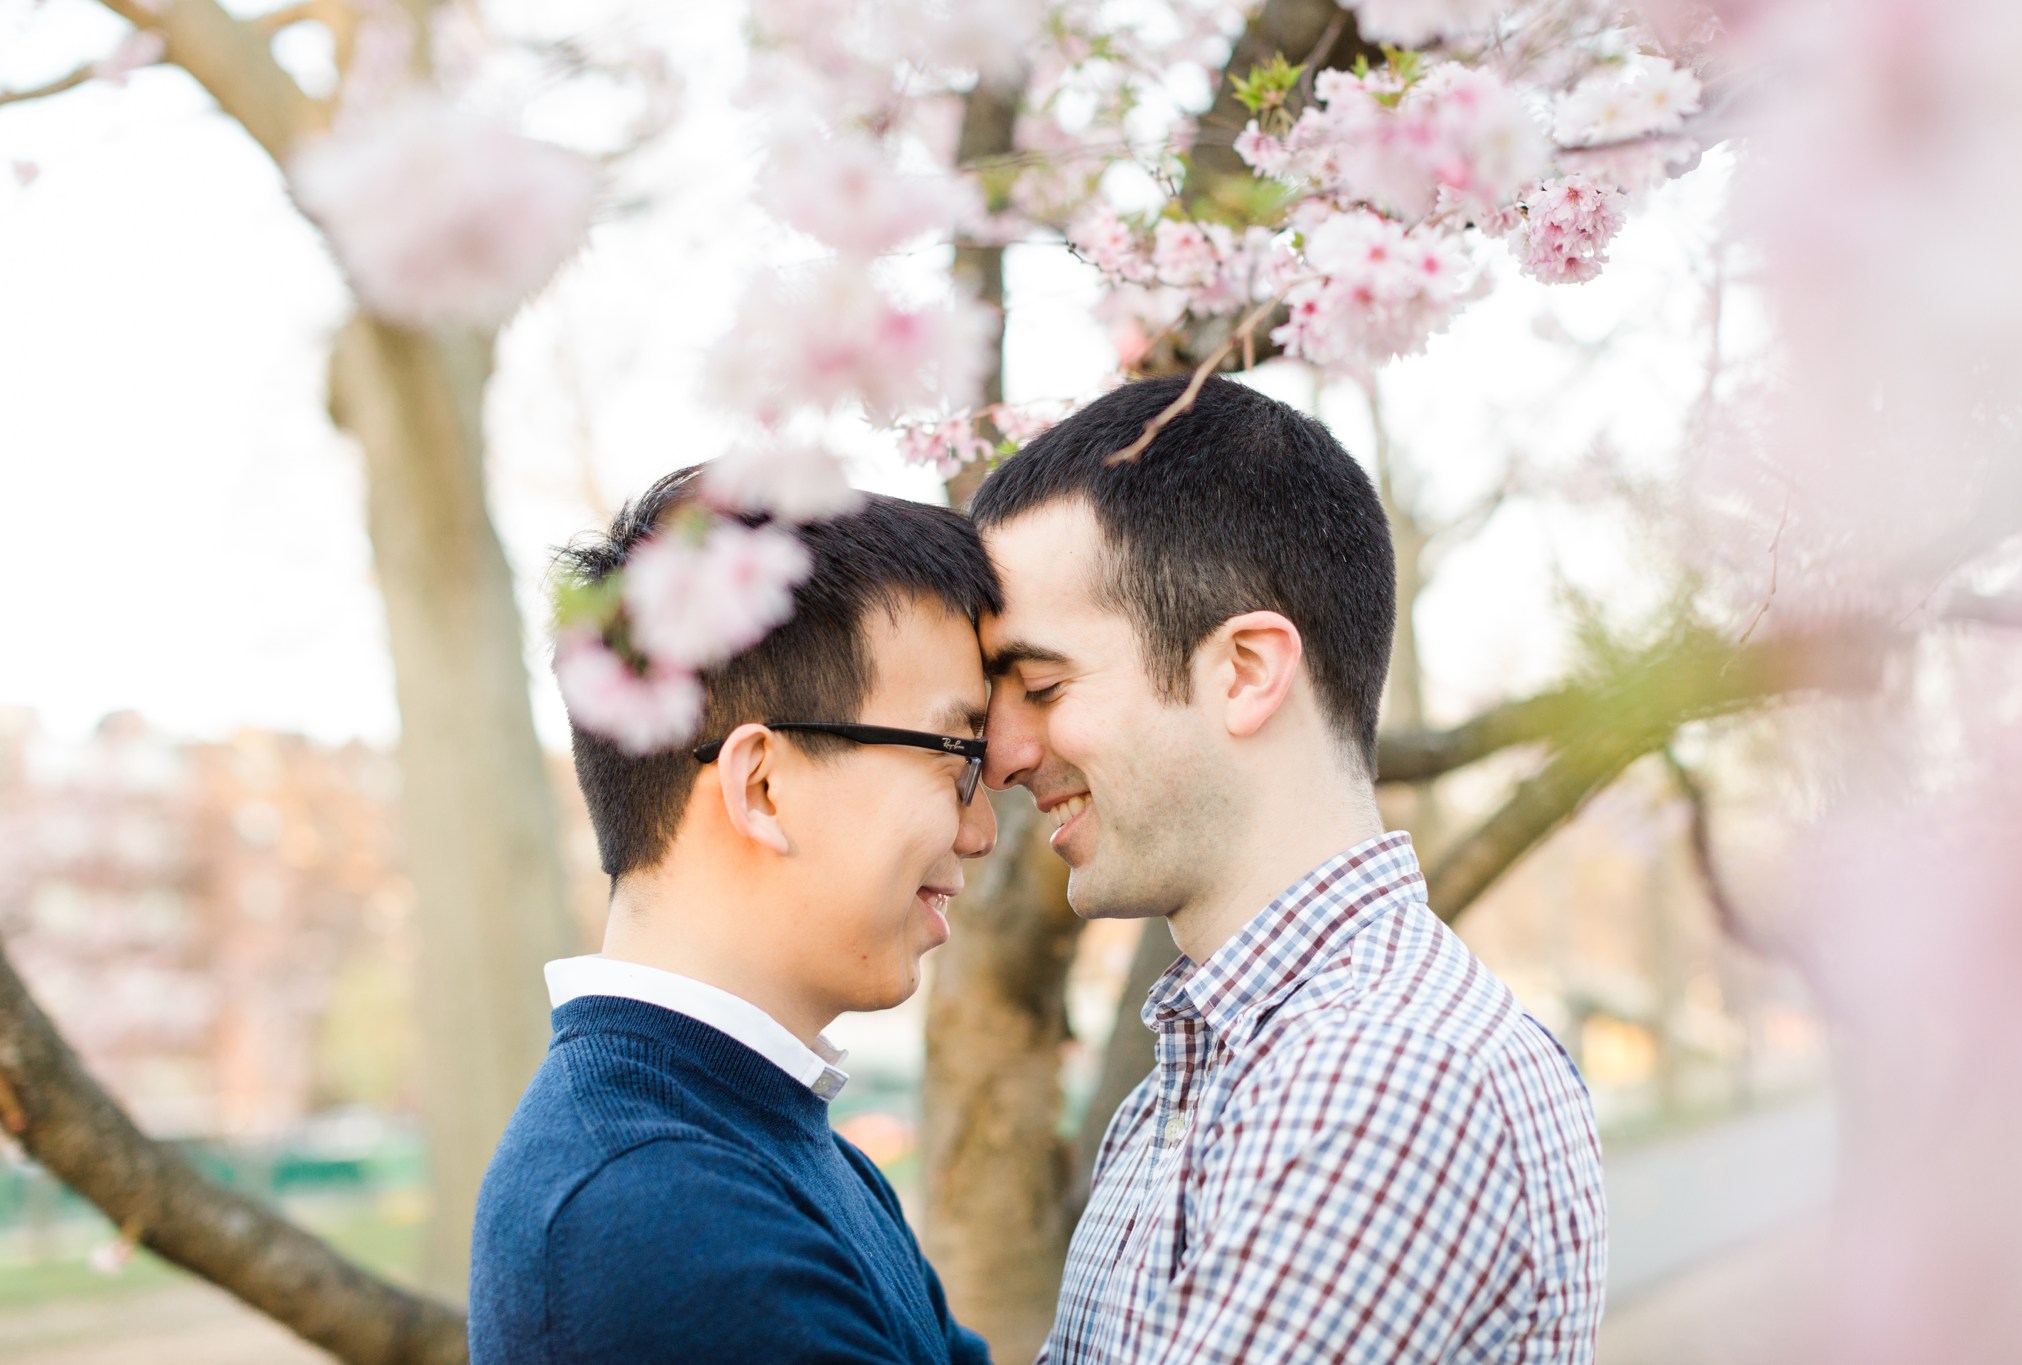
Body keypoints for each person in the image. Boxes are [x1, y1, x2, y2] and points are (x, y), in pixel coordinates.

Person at [971, 375, 1607, 1363]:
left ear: (1245, 671)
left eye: (1041, 686)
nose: (1002, 753)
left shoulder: (1380, 1076)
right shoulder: (1195, 1086)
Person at [470, 469, 996, 1365]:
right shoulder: (654, 1215)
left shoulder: (759, 1139)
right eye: (959, 760)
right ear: (762, 785)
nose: (980, 830)